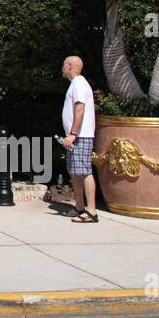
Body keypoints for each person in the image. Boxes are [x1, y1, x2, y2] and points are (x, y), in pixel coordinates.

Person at [60, 55, 98, 223]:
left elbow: (80, 109)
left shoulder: (80, 84)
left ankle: (91, 211)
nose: (62, 68)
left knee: (84, 171)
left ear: (70, 66)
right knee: (75, 171)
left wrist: (73, 134)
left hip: (81, 136)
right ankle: (80, 206)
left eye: (63, 65)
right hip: (76, 136)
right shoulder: (75, 84)